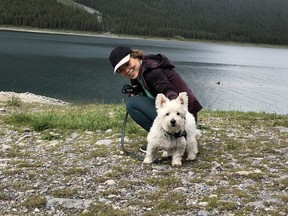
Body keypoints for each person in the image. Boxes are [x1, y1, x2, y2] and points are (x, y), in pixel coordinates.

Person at [109, 45, 202, 136]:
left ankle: (169, 138)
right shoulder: (137, 73)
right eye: (121, 70)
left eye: (127, 64)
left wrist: (176, 114)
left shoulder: (151, 71)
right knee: (134, 101)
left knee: (132, 104)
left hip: (186, 117)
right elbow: (147, 94)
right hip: (180, 116)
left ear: (135, 57)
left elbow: (168, 90)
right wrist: (133, 91)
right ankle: (168, 137)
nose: (126, 70)